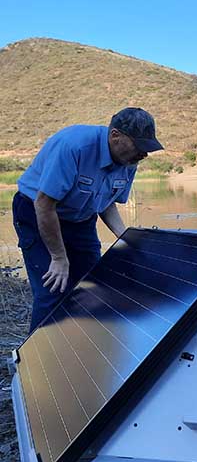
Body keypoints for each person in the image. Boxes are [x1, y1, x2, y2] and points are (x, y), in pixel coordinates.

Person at [12, 107, 164, 333]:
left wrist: (126, 237)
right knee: (54, 288)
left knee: (93, 286)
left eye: (147, 149)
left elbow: (106, 203)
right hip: (37, 213)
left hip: (80, 219)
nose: (144, 154)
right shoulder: (75, 146)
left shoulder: (129, 162)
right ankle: (32, 362)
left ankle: (83, 350)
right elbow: (44, 205)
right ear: (115, 136)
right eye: (140, 147)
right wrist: (59, 258)